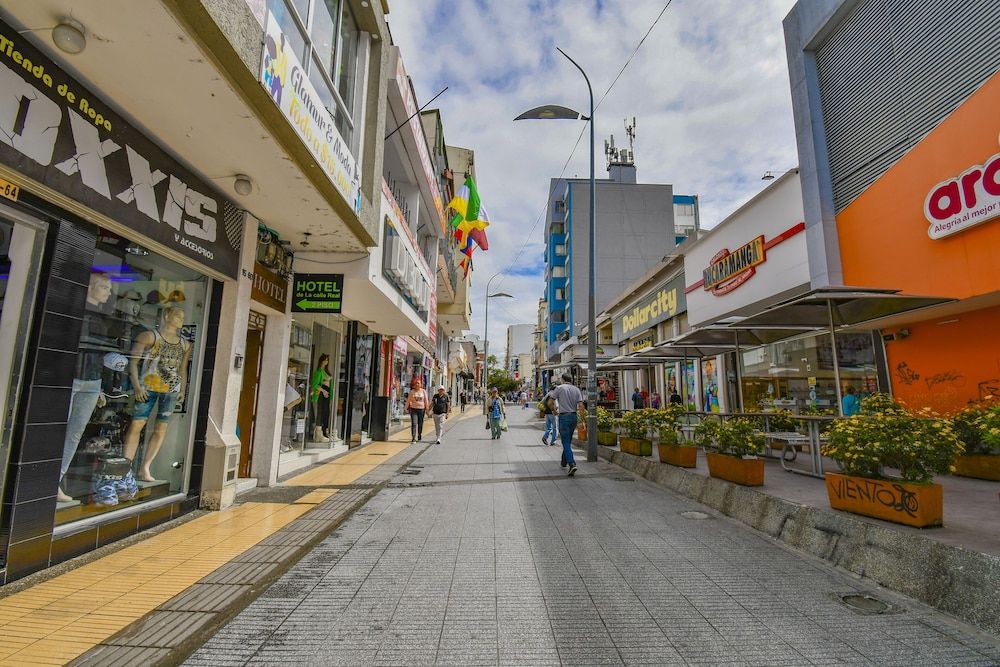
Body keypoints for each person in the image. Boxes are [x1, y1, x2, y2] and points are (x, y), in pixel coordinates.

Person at [551, 373, 584, 476]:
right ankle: (564, 462)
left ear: (562, 379)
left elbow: (549, 402)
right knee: (568, 441)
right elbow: (581, 406)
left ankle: (572, 463)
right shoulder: (576, 389)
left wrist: (554, 411)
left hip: (564, 417)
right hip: (574, 417)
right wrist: (581, 420)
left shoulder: (559, 388)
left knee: (565, 442)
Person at [310, 354, 332, 442]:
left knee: (326, 412)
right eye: (325, 360)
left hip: (326, 393)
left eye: (327, 360)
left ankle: (324, 432)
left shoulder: (326, 371)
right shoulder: (319, 372)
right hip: (321, 393)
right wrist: (323, 391)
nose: (326, 362)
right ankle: (318, 433)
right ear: (321, 361)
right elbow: (314, 384)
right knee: (320, 412)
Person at [542, 378, 560, 446]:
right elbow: (556, 405)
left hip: (547, 412)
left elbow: (543, 401)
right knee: (555, 428)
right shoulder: (554, 394)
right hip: (553, 413)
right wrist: (556, 411)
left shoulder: (548, 393)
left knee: (548, 427)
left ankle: (545, 437)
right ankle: (553, 442)